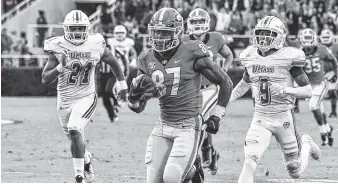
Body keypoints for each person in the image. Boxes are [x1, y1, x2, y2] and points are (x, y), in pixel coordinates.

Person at [128, 8, 233, 183]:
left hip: (188, 125)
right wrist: (133, 97)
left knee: (171, 177)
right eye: (156, 33)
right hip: (163, 125)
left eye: (164, 33)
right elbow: (138, 108)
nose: (160, 38)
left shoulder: (191, 50)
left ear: (177, 33)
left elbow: (225, 82)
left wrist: (217, 115)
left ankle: (194, 168)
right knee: (154, 180)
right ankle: (194, 164)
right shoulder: (146, 58)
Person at [229, 16, 321, 182]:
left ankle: (306, 144)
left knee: (295, 170)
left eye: (268, 33)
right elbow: (244, 84)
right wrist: (224, 101)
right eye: (260, 33)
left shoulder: (289, 57)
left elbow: (308, 91)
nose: (263, 38)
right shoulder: (250, 56)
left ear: (279, 36)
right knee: (250, 159)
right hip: (260, 117)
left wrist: (286, 90)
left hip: (283, 117)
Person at [41, 10, 128, 183]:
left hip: (86, 96)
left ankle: (79, 176)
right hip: (64, 100)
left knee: (74, 129)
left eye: (80, 28)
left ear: (87, 29)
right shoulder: (58, 46)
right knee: (74, 137)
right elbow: (45, 79)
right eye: (73, 29)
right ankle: (86, 159)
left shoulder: (95, 44)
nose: (77, 32)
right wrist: (60, 67)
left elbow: (112, 62)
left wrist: (122, 83)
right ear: (66, 29)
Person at [181, 8, 234, 177]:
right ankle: (209, 151)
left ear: (207, 23)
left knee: (199, 118)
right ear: (189, 24)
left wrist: (223, 72)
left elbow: (229, 55)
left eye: (200, 22)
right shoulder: (183, 40)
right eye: (194, 22)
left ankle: (200, 154)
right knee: (196, 121)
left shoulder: (216, 38)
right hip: (191, 87)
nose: (197, 25)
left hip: (210, 87)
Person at [299, 28, 337, 147]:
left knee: (313, 106)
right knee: (318, 109)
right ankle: (328, 128)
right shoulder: (299, 54)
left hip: (321, 84)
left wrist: (335, 73)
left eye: (310, 38)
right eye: (306, 38)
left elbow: (334, 61)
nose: (308, 42)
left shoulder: (322, 49)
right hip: (308, 86)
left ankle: (323, 134)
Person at [100, 38, 129, 123]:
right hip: (103, 74)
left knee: (108, 91)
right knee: (105, 99)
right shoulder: (96, 50)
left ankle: (118, 102)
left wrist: (126, 71)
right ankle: (112, 116)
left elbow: (124, 59)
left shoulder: (115, 49)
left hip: (112, 73)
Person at [319, 29, 338, 118]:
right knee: (328, 92)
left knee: (332, 91)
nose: (325, 39)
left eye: (327, 37)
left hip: (334, 71)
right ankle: (331, 111)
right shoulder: (319, 47)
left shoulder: (336, 46)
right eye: (324, 37)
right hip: (323, 72)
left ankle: (333, 111)